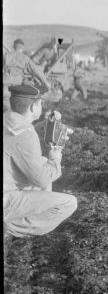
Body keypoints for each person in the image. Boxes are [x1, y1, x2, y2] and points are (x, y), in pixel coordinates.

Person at [3, 84, 77, 237]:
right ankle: (10, 228)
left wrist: (42, 128)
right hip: (6, 198)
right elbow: (41, 179)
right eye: (40, 103)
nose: (41, 106)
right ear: (33, 107)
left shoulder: (8, 121)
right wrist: (55, 157)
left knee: (42, 170)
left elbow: (17, 144)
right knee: (69, 203)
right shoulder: (24, 134)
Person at [3, 39, 49, 112]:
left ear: (13, 46)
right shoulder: (24, 58)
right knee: (10, 112)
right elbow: (36, 70)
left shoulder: (6, 55)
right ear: (22, 48)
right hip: (14, 89)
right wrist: (45, 82)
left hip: (4, 86)